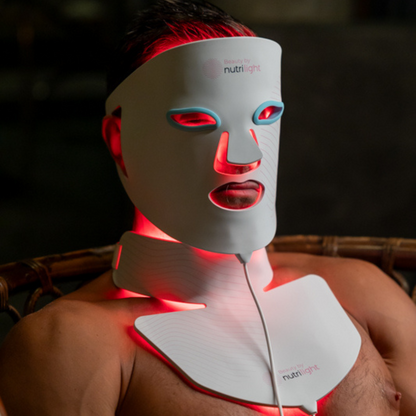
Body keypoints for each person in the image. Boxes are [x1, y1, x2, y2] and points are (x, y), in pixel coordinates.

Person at [1, 1, 416, 415]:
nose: (245, 155)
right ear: (119, 141)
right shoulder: (73, 344)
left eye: (265, 115)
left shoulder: (362, 292)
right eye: (197, 121)